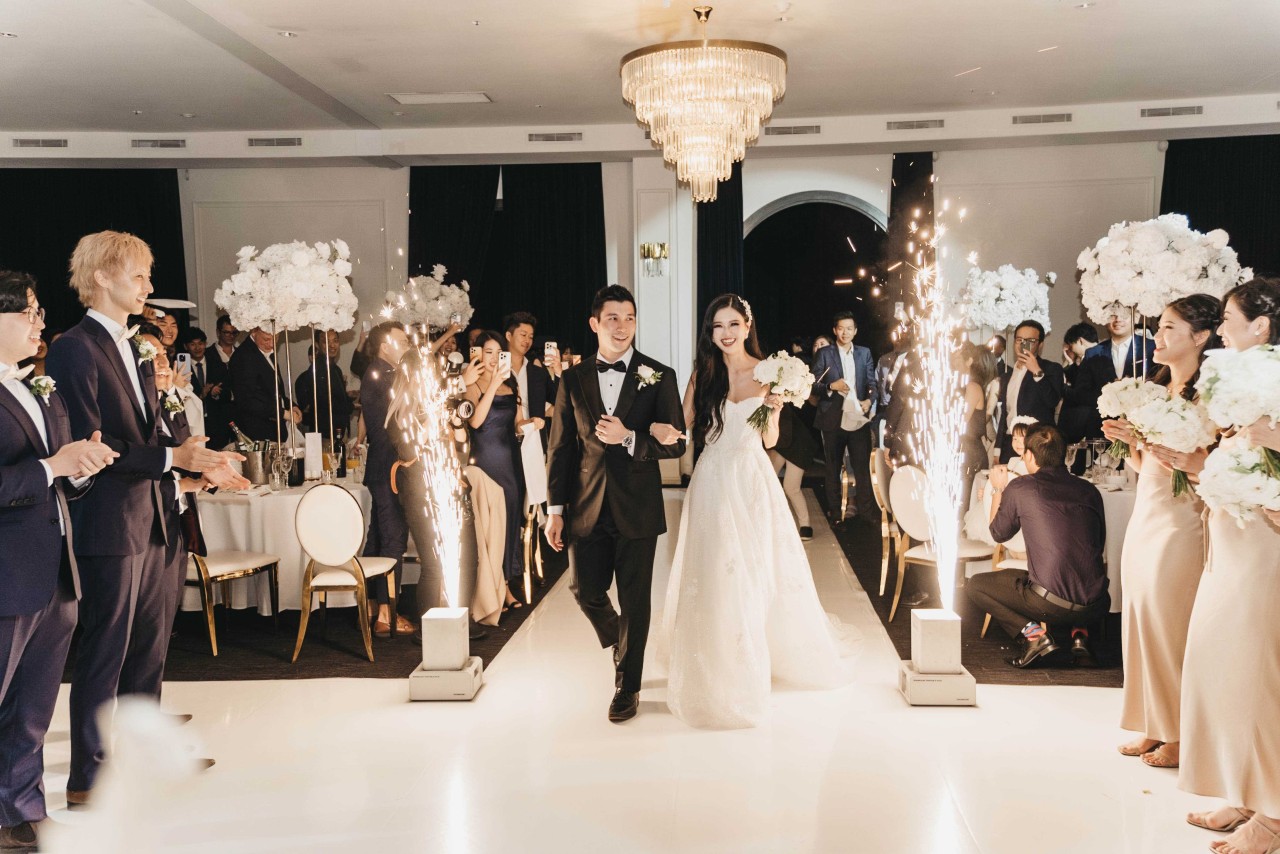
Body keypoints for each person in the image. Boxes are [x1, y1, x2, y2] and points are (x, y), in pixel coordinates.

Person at [45, 231, 236, 808]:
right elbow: (91, 444)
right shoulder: (75, 348)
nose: (149, 286)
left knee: (149, 649)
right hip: (109, 521)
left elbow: (150, 434)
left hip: (157, 514)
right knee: (106, 651)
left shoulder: (134, 347)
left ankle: (146, 757)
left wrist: (191, 463)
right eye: (139, 275)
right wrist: (173, 459)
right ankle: (89, 777)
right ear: (102, 277)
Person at [651, 294, 853, 729]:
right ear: (710, 333)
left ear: (747, 326)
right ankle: (719, 657)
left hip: (752, 478)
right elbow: (681, 427)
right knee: (717, 567)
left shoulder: (768, 372)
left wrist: (775, 409)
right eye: (717, 326)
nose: (725, 333)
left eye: (732, 324)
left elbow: (769, 440)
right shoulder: (704, 374)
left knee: (757, 569)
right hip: (712, 480)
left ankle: (755, 649)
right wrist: (651, 427)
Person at [0, 271, 117, 850]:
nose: (39, 322)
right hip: (7, 574)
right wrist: (52, 466)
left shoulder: (38, 386)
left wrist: (81, 468)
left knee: (32, 709)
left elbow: (59, 474)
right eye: (28, 311)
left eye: (40, 311)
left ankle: (20, 812)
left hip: (54, 570)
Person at [544, 285, 686, 723]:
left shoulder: (659, 375)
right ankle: (621, 644)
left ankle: (629, 685)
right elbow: (560, 448)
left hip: (637, 506)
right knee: (584, 590)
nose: (622, 327)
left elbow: (676, 444)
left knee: (635, 600)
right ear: (595, 323)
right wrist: (555, 510)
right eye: (613, 318)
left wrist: (630, 438)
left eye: (629, 318)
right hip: (586, 505)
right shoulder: (573, 379)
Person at [1177, 278, 1280, 851]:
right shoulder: (1237, 375)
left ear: (1260, 326)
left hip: (1266, 541)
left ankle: (1274, 814)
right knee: (1225, 662)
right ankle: (1246, 789)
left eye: (1227, 320)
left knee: (1260, 671)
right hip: (1232, 533)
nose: (1219, 330)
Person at [1100, 294, 1220, 770]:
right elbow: (1146, 465)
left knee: (1170, 626)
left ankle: (1181, 732)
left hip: (1181, 520)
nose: (1159, 336)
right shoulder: (1156, 388)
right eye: (1160, 326)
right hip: (1146, 514)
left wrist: (1183, 458)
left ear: (1201, 337)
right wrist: (1132, 443)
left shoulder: (1210, 395)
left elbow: (1205, 466)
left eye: (1170, 328)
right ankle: (1153, 720)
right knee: (1140, 620)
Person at [967, 425, 1110, 668]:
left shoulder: (1021, 487)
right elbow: (1098, 541)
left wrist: (998, 488)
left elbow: (998, 533)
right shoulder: (1090, 490)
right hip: (1097, 605)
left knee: (976, 585)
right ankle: (1080, 636)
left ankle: (1035, 637)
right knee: (1075, 572)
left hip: (1049, 605)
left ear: (1030, 456)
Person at [359, 322, 415, 637]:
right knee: (393, 538)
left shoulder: (379, 373)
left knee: (378, 537)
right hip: (389, 467)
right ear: (384, 346)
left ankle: (369, 604)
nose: (408, 344)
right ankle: (386, 613)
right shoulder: (383, 375)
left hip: (380, 466)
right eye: (402, 341)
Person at [465, 331, 524, 610]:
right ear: (478, 354)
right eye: (488, 352)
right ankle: (492, 589)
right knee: (490, 527)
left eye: (499, 352)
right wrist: (492, 385)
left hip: (511, 460)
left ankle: (507, 585)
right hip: (485, 461)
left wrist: (531, 424)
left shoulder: (512, 383)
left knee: (510, 521)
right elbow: (475, 422)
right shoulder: (471, 384)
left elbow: (517, 423)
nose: (493, 358)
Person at [811, 312, 877, 525]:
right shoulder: (825, 353)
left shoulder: (864, 353)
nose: (845, 332)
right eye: (841, 328)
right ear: (835, 330)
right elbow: (812, 385)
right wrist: (832, 386)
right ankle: (835, 513)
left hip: (857, 417)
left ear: (855, 331)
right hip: (832, 417)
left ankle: (866, 513)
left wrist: (868, 401)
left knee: (862, 467)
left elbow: (872, 384)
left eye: (849, 328)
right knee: (832, 468)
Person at [1070, 313, 1157, 444]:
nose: (1118, 319)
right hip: (1103, 431)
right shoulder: (1093, 353)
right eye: (1112, 315)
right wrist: (1111, 393)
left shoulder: (1151, 348)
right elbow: (1081, 393)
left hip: (1142, 431)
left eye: (1124, 314)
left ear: (1136, 316)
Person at [994, 320, 1064, 462]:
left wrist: (1037, 371)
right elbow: (1005, 415)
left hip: (1038, 447)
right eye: (1019, 340)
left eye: (1030, 341)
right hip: (1010, 445)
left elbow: (1052, 401)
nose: (1023, 345)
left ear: (1040, 344)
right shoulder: (1007, 376)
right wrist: (997, 449)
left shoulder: (1051, 369)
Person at [228, 326, 303, 442]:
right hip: (256, 431)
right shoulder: (242, 356)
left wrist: (291, 405)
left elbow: (273, 390)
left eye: (276, 338)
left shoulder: (265, 351)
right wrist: (283, 413)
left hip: (273, 427)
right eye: (266, 339)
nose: (272, 344)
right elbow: (248, 400)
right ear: (254, 332)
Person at [295, 329, 354, 440]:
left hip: (336, 432)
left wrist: (350, 399)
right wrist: (351, 406)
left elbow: (337, 396)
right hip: (324, 433)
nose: (332, 345)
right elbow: (325, 402)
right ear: (317, 345)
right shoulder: (318, 368)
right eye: (326, 342)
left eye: (335, 341)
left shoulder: (336, 369)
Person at [182, 326, 231, 450]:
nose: (197, 348)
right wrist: (200, 395)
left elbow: (228, 394)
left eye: (200, 343)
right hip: (193, 423)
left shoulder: (218, 365)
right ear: (186, 347)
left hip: (217, 423)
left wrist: (215, 394)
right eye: (192, 344)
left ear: (205, 344)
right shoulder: (181, 368)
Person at [1059, 321, 1102, 448]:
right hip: (1086, 422)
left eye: (1071, 344)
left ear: (1080, 341)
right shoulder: (1093, 356)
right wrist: (1071, 363)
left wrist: (1063, 388)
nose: (1071, 348)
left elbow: (1083, 394)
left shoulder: (1095, 357)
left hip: (1089, 422)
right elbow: (1080, 382)